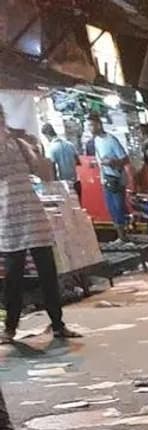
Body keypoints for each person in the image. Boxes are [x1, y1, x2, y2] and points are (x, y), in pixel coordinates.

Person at [0, 104, 80, 344]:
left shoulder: (20, 144)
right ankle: (10, 328)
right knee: (13, 277)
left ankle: (58, 324)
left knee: (47, 272)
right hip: (8, 216)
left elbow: (44, 173)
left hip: (33, 215)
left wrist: (35, 149)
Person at [88, 112, 130, 242]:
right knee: (111, 208)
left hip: (116, 179)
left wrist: (113, 162)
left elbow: (125, 159)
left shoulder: (111, 140)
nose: (90, 128)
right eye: (88, 126)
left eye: (92, 125)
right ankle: (121, 236)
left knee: (118, 208)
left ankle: (123, 236)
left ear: (99, 125)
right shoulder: (95, 141)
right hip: (106, 179)